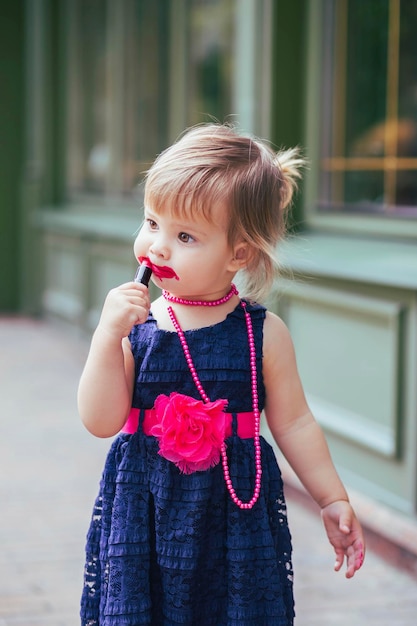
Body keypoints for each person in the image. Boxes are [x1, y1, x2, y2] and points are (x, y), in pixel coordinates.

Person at [78, 123, 365, 626]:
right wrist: (106, 338)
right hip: (144, 510)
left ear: (239, 253)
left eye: (184, 235)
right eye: (151, 222)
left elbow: (295, 423)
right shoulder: (137, 327)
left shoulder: (263, 333)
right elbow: (101, 420)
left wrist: (331, 498)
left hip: (233, 515)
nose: (157, 247)